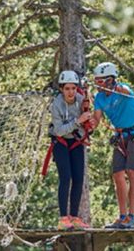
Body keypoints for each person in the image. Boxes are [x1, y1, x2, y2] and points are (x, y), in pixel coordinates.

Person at [92, 62, 134, 229]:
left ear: (110, 80)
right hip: (121, 135)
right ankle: (122, 216)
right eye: (96, 81)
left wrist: (116, 88)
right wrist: (88, 120)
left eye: (100, 81)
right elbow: (96, 120)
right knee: (117, 175)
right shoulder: (99, 98)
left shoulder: (122, 89)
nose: (97, 85)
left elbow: (125, 90)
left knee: (131, 171)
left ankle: (131, 217)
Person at [49, 71, 93, 230]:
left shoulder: (82, 101)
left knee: (78, 179)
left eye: (74, 88)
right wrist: (78, 121)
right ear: (61, 89)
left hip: (76, 141)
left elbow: (87, 121)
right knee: (66, 177)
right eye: (67, 88)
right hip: (60, 142)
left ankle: (74, 217)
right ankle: (63, 218)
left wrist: (89, 123)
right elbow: (59, 130)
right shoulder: (56, 104)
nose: (71, 92)